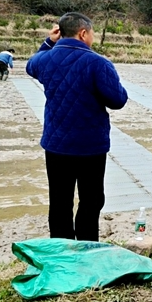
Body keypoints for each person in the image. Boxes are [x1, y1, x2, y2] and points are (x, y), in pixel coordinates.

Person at [26, 12, 128, 242]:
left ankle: (61, 251)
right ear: (83, 33)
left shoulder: (45, 59)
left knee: (59, 201)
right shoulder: (98, 63)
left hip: (56, 145)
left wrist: (49, 42)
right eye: (91, 33)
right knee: (91, 200)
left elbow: (30, 65)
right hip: (90, 146)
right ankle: (86, 247)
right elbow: (118, 100)